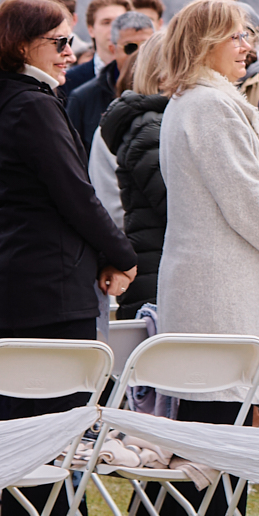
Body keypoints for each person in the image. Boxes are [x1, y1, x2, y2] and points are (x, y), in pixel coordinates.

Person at [149, 0, 259, 516]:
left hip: (215, 274)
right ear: (207, 41)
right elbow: (242, 193)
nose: (249, 47)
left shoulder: (198, 100)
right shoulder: (210, 105)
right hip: (218, 278)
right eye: (237, 37)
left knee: (208, 414)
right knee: (219, 416)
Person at [0, 0, 136, 408]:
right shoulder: (33, 105)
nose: (69, 52)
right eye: (59, 42)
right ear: (22, 46)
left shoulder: (15, 100)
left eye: (70, 41)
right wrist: (123, 255)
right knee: (51, 431)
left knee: (25, 425)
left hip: (25, 283)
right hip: (48, 291)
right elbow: (75, 194)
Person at [99, 51, 173, 320]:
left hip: (157, 272)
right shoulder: (150, 128)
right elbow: (177, 206)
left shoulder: (153, 123)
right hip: (157, 278)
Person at [68, 10, 153, 148]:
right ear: (113, 49)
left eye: (146, 47)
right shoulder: (83, 99)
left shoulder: (169, 92)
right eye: (130, 48)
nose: (139, 55)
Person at [67, 0, 128, 89]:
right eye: (106, 22)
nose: (114, 29)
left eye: (120, 22)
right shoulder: (69, 80)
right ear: (91, 30)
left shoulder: (144, 76)